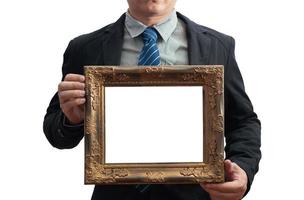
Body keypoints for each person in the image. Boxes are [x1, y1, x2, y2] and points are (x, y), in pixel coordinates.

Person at [43, 0, 261, 199]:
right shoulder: (85, 48)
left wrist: (242, 169)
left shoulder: (217, 45)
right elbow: (57, 134)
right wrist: (72, 120)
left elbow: (242, 121)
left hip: (196, 195)